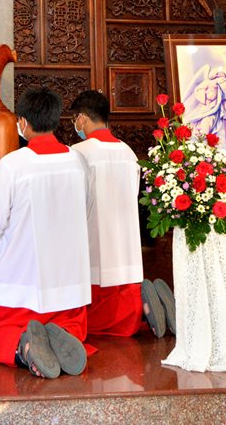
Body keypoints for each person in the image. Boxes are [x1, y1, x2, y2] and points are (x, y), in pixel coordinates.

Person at [0, 86, 92, 379]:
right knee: (70, 323)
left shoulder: (13, 165)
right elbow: (86, 207)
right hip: (67, 279)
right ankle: (63, 337)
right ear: (56, 119)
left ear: (23, 122)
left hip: (22, 280)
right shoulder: (78, 161)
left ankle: (25, 346)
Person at [68, 90, 175, 339]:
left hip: (95, 238)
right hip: (126, 242)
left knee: (91, 318)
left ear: (82, 118)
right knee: (124, 291)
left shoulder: (79, 151)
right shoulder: (128, 152)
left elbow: (74, 199)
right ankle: (145, 307)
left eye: (75, 119)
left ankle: (142, 311)